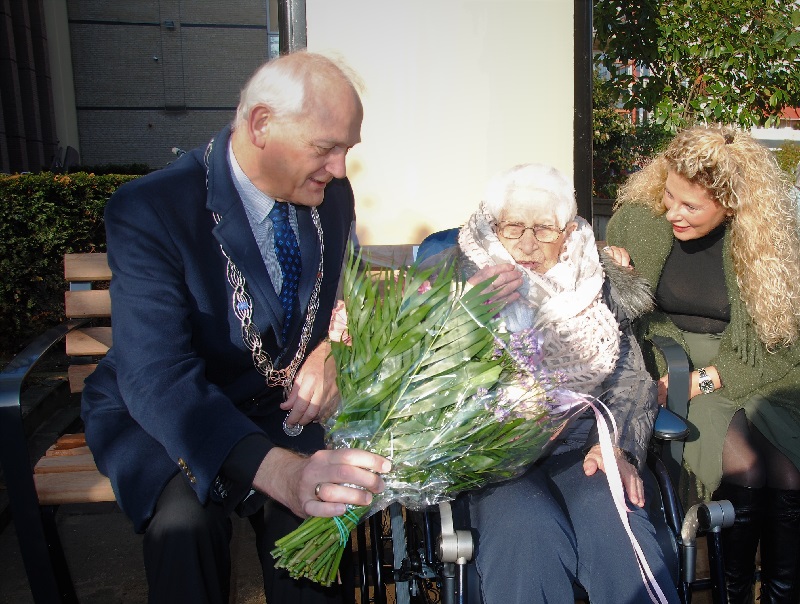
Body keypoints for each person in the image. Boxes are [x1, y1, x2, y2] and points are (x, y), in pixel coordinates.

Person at [80, 51, 391, 604]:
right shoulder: (151, 208)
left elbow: (353, 296)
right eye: (326, 148)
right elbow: (157, 377)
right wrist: (281, 474)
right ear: (261, 125)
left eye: (347, 150)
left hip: (280, 407)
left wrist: (333, 348)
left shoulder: (330, 196)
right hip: (165, 412)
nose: (341, 169)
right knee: (185, 524)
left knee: (317, 526)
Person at [422, 163, 680, 603]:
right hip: (497, 461)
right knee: (526, 532)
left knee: (614, 522)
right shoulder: (456, 283)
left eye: (544, 229)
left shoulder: (598, 281)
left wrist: (619, 448)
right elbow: (430, 385)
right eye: (513, 227)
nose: (526, 243)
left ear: (568, 232)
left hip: (586, 447)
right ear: (492, 226)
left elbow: (631, 381)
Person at [606, 123, 800, 604]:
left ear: (731, 204)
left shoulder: (769, 242)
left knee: (791, 477)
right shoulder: (640, 220)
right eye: (669, 194)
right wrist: (613, 270)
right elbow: (625, 316)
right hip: (676, 357)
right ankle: (727, 593)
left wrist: (708, 378)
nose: (673, 211)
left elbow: (785, 343)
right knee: (749, 470)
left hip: (754, 364)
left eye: (690, 206)